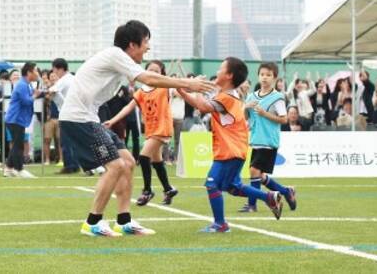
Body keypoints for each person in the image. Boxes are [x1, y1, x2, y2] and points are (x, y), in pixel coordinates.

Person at [59, 20, 214, 237]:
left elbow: (150, 82)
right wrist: (188, 84)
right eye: (146, 42)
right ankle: (92, 222)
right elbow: (148, 78)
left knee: (129, 162)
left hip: (89, 118)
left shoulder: (119, 60)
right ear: (132, 45)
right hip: (78, 119)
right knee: (115, 166)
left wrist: (184, 84)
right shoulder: (116, 55)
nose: (148, 47)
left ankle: (124, 221)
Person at [178, 57, 284, 233]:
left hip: (230, 150)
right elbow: (202, 104)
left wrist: (195, 88)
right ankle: (269, 197)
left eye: (221, 68)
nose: (217, 71)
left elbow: (202, 106)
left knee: (212, 184)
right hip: (234, 149)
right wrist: (183, 91)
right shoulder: (228, 95)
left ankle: (220, 224)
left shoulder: (226, 97)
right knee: (233, 188)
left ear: (228, 75)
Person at [105, 60, 179, 206]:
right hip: (151, 130)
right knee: (157, 162)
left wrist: (189, 84)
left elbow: (178, 88)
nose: (152, 73)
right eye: (150, 70)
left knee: (144, 157)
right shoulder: (142, 91)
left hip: (162, 128)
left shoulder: (165, 88)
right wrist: (112, 121)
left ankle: (147, 190)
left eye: (156, 71)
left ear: (162, 74)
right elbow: (128, 108)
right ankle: (168, 189)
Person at [239, 62, 297, 213]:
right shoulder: (252, 96)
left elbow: (284, 119)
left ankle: (252, 205)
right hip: (255, 141)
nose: (264, 78)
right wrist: (245, 107)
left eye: (268, 75)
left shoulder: (277, 97)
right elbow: (245, 117)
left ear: (275, 78)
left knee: (253, 171)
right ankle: (286, 192)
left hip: (269, 141)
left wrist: (265, 114)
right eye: (262, 74)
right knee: (260, 176)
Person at [4, 62, 41, 178]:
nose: (37, 73)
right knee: (18, 145)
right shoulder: (22, 85)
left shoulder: (27, 84)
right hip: (15, 118)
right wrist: (35, 95)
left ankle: (9, 169)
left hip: (18, 119)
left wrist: (41, 94)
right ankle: (19, 169)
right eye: (35, 71)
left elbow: (31, 97)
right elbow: (26, 101)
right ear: (29, 72)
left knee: (17, 143)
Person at [48, 58, 76, 173]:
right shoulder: (72, 78)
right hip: (74, 112)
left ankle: (69, 165)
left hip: (67, 113)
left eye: (54, 70)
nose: (54, 73)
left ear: (60, 69)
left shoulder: (64, 80)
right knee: (72, 140)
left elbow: (52, 90)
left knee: (65, 140)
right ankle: (74, 164)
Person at [43, 71, 61, 165]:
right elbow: (46, 99)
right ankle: (47, 160)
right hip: (49, 118)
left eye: (55, 76)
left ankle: (61, 160)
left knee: (59, 140)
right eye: (51, 76)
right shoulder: (47, 88)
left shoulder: (62, 87)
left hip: (60, 117)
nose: (53, 78)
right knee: (47, 139)